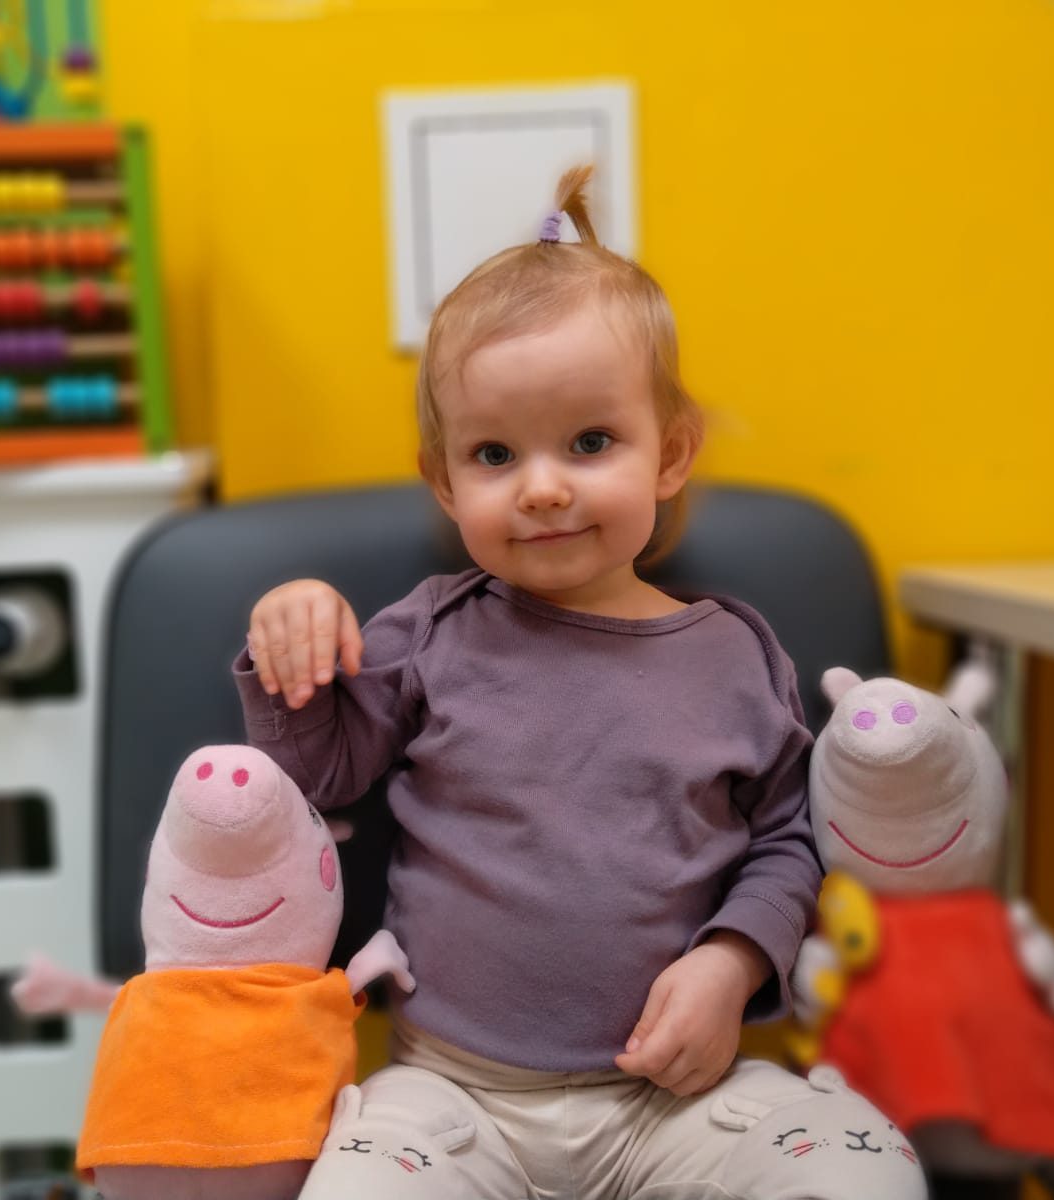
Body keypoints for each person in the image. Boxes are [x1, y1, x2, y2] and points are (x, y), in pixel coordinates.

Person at [234, 167, 926, 1200]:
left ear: (671, 453)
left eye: (591, 442)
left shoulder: (737, 656)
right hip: (453, 1101)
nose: (545, 486)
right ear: (444, 480)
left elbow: (792, 843)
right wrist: (291, 642)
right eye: (494, 454)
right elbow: (320, 779)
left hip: (677, 1103)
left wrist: (733, 963)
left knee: (867, 1177)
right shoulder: (429, 633)